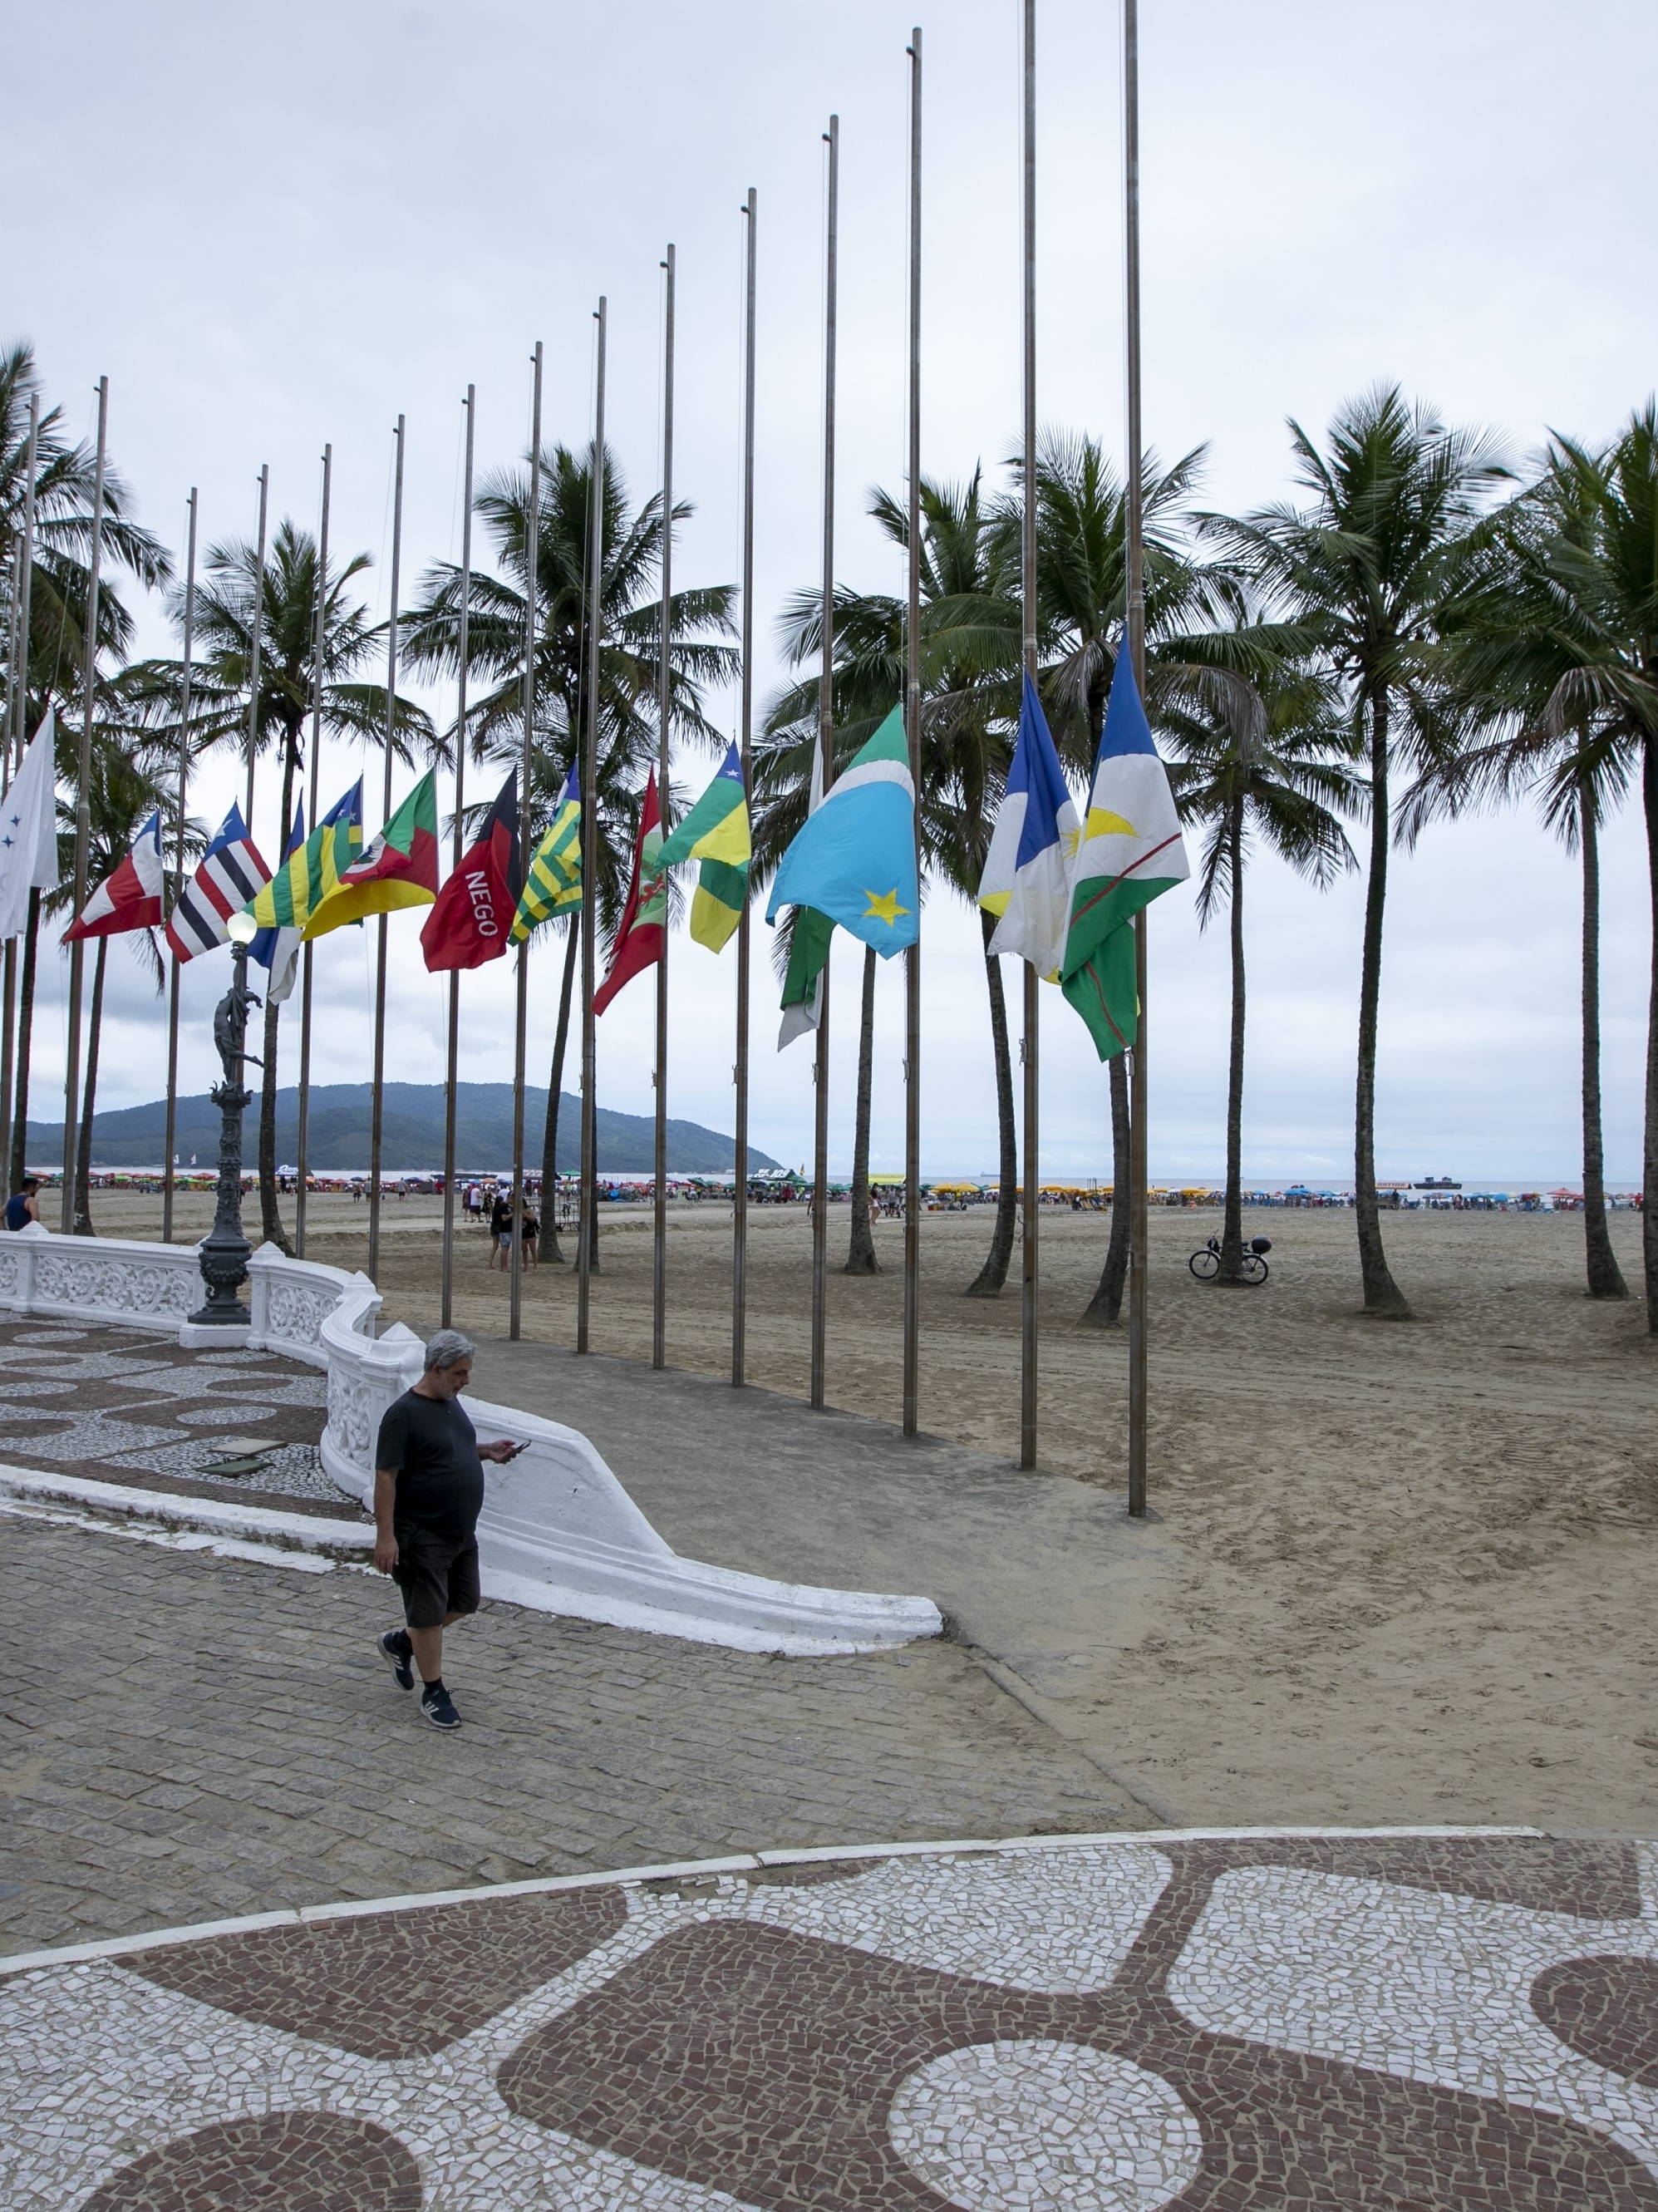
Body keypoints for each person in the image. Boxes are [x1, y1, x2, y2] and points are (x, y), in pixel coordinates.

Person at [374, 1329, 523, 1730]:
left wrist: (487, 1451)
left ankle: (402, 1643)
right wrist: (385, 1537)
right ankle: (434, 1691)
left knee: (465, 1601)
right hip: (421, 1534)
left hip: (460, 1533)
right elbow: (386, 1478)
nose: (465, 1381)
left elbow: (448, 1451)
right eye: (459, 1373)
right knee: (426, 1615)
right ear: (436, 1370)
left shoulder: (451, 1404)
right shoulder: (403, 1414)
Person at [489, 1188, 512, 1269]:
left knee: (495, 1246)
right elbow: (503, 1218)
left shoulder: (494, 1209)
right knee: (504, 1247)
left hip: (493, 1227)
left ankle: (490, 1264)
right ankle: (503, 1264)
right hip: (499, 1228)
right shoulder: (501, 1208)